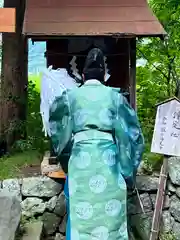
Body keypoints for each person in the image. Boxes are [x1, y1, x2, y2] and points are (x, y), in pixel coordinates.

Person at [49, 48, 144, 239]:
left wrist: (67, 161)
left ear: (83, 76)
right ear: (104, 76)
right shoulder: (115, 97)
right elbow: (132, 136)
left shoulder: (70, 97)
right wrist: (127, 170)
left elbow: (58, 132)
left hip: (80, 162)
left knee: (81, 218)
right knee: (110, 220)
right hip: (108, 163)